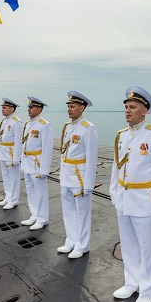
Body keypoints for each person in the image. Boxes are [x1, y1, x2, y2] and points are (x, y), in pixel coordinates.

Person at [110, 87, 151, 302]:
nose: (128, 111)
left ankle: (147, 291)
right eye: (126, 107)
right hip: (125, 199)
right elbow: (116, 168)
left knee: (147, 248)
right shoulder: (121, 135)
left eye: (133, 107)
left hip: (145, 200)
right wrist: (114, 193)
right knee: (128, 245)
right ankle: (131, 282)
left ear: (144, 111)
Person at [57, 91, 98, 259]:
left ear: (82, 108)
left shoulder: (88, 128)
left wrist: (88, 184)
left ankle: (82, 245)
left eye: (72, 106)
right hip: (67, 175)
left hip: (79, 177)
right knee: (68, 211)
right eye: (68, 106)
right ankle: (71, 240)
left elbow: (92, 158)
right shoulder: (68, 126)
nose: (69, 109)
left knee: (81, 213)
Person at [20, 96, 53, 230]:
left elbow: (47, 148)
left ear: (39, 109)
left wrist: (44, 170)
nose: (29, 109)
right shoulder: (28, 124)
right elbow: (24, 145)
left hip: (37, 163)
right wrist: (22, 163)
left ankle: (42, 218)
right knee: (30, 190)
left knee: (40, 192)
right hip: (28, 162)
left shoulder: (44, 125)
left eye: (31, 107)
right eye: (28, 107)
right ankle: (34, 214)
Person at [0, 98, 24, 209]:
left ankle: (13, 200)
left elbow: (18, 142)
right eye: (2, 108)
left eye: (4, 108)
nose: (2, 110)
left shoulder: (17, 122)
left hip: (11, 154)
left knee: (13, 178)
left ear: (12, 109)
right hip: (3, 152)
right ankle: (7, 197)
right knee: (6, 177)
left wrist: (16, 158)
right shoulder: (5, 121)